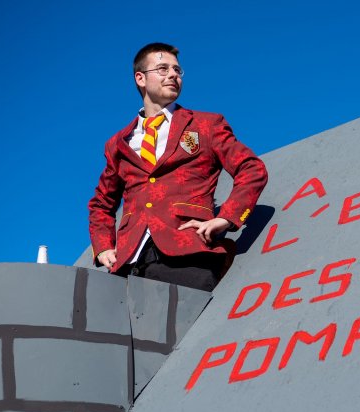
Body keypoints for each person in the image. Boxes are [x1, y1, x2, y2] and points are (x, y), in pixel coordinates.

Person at [88, 42, 268, 291]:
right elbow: (101, 204)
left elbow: (252, 169)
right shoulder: (118, 144)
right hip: (128, 265)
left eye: (177, 70)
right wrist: (103, 247)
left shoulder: (206, 125)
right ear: (140, 78)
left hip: (187, 258)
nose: (173, 74)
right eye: (163, 69)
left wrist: (227, 217)